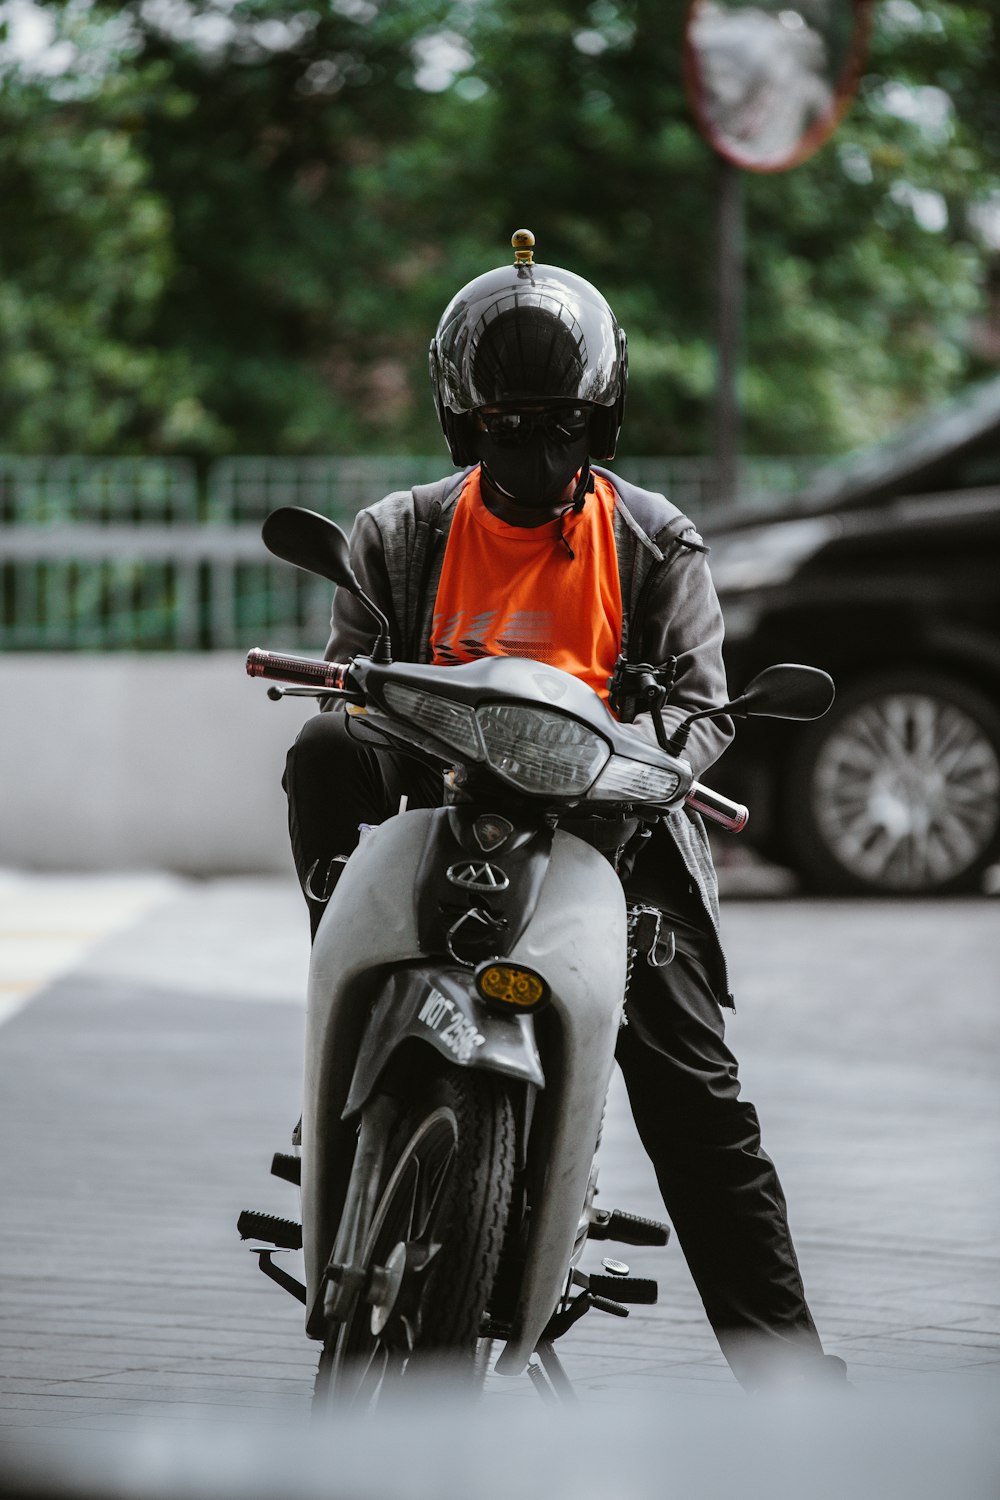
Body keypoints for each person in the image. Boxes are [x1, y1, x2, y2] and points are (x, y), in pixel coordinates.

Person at [283, 230, 846, 1392]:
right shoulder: (395, 536)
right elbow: (353, 674)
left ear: (603, 424)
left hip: (615, 833)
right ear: (462, 424)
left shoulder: (655, 542)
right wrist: (369, 703)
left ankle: (794, 1393)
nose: (536, 447)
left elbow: (702, 706)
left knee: (697, 1102)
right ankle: (343, 974)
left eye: (561, 427)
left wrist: (654, 761)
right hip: (436, 807)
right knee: (315, 751)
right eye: (507, 427)